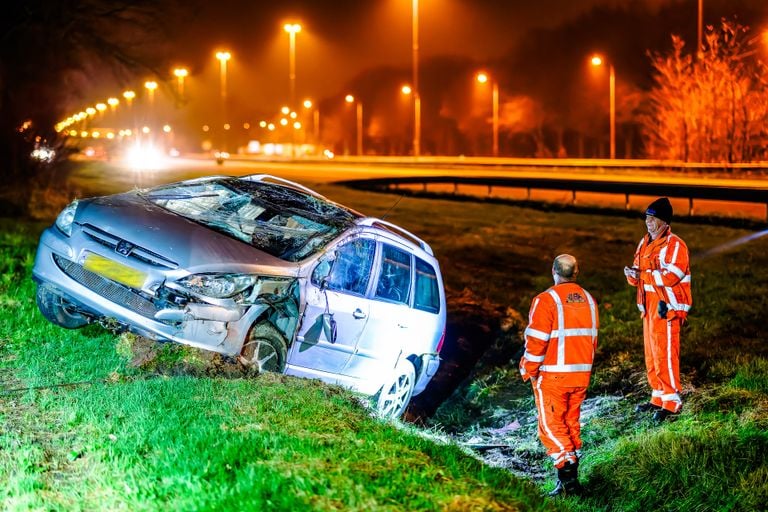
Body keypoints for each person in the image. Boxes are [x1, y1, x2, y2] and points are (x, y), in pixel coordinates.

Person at [520, 254, 599, 497]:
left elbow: (536, 342)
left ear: (554, 271)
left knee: (551, 427)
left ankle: (569, 483)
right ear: (576, 272)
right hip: (581, 375)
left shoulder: (546, 300)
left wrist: (528, 369)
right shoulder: (589, 300)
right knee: (570, 425)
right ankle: (569, 482)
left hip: (554, 376)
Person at [624, 197, 692, 423]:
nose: (648, 222)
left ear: (664, 221)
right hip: (649, 305)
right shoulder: (644, 243)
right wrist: (633, 276)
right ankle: (658, 397)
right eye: (646, 218)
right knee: (652, 353)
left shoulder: (675, 245)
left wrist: (642, 275)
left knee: (665, 351)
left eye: (652, 219)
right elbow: (640, 271)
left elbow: (671, 276)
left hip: (666, 305)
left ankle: (672, 402)